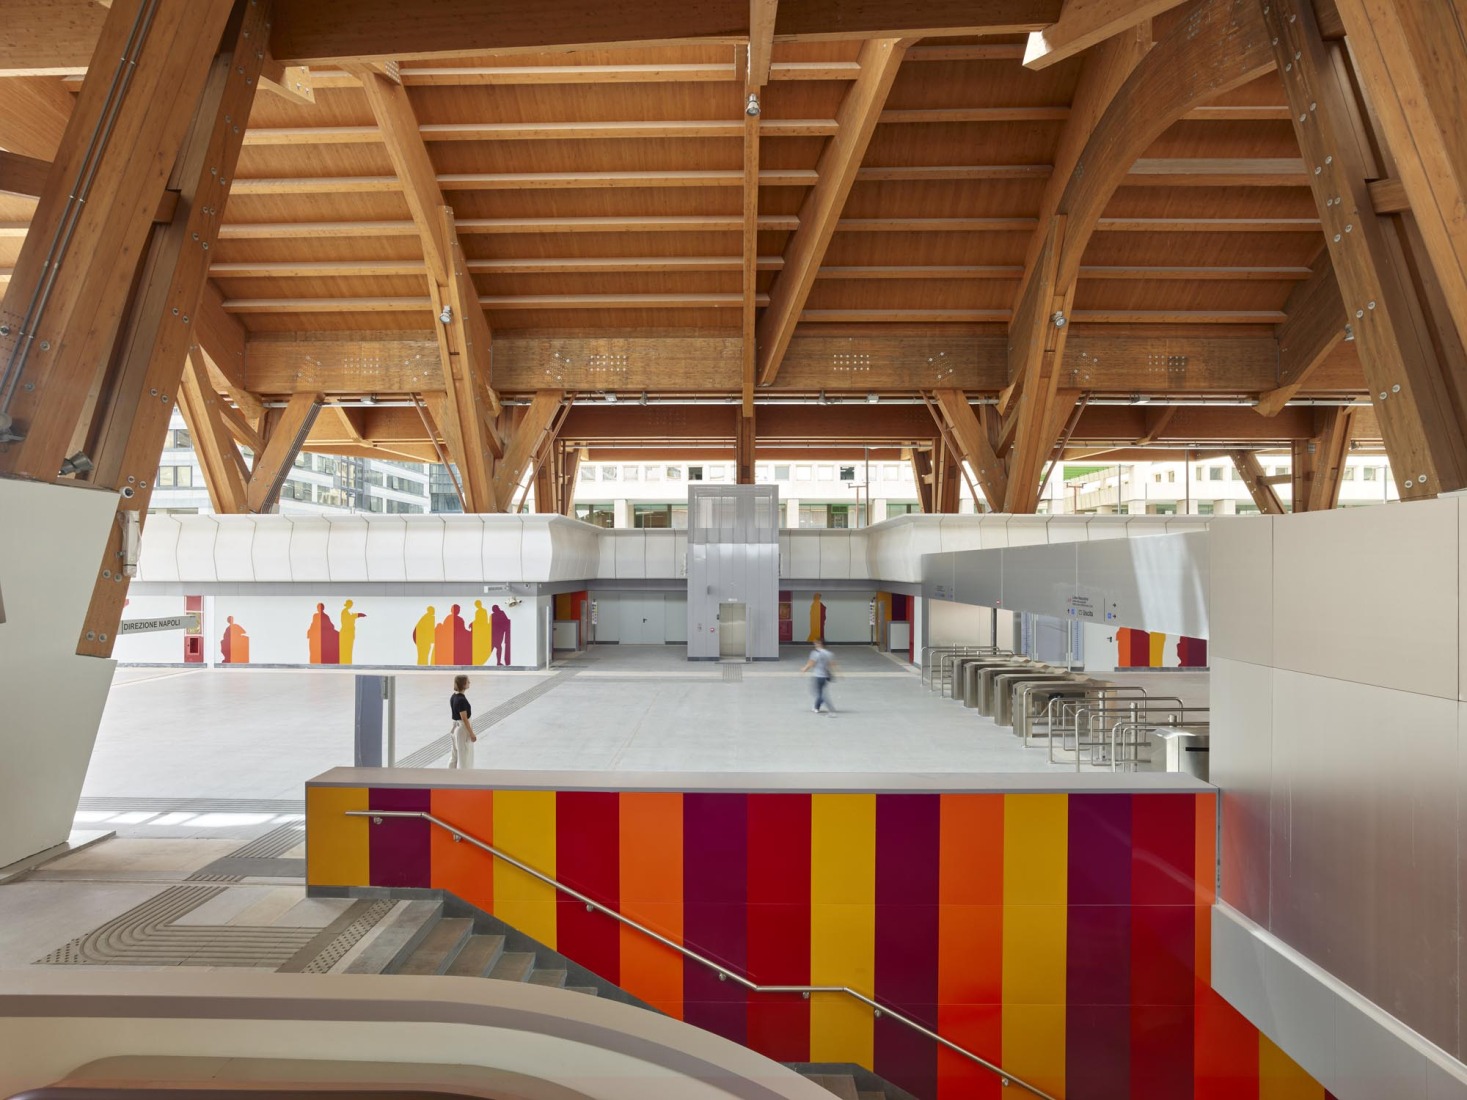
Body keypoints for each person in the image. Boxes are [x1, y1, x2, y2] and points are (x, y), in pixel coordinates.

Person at [448, 674, 477, 768]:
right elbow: (464, 718)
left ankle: (450, 774)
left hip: (455, 727)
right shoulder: (461, 700)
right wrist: (471, 733)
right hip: (462, 730)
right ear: (463, 684)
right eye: (468, 681)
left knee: (455, 755)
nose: (469, 683)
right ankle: (463, 777)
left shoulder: (453, 696)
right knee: (463, 756)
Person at [801, 639, 837, 714]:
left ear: (820, 644)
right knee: (820, 692)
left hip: (817, 675)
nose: (815, 645)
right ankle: (818, 705)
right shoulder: (828, 653)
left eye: (816, 643)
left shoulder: (815, 653)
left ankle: (818, 707)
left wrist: (804, 669)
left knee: (816, 692)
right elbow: (831, 664)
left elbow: (811, 663)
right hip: (825, 676)